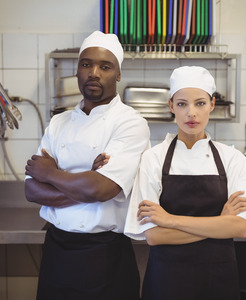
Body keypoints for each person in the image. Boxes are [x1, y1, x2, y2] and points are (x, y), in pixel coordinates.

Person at [25, 31, 150, 300]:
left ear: (117, 75)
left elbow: (100, 190)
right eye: (86, 64)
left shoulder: (130, 123)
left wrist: (51, 173)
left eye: (105, 67)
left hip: (105, 255)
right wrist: (88, 179)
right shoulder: (59, 123)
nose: (93, 72)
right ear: (77, 70)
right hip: (57, 250)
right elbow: (32, 191)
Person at [124, 66, 246, 300]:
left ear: (212, 105)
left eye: (199, 103)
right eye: (181, 104)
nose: (191, 113)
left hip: (218, 281)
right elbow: (154, 236)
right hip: (167, 282)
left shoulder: (232, 159)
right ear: (171, 106)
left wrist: (170, 220)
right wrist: (219, 223)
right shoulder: (153, 158)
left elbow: (239, 227)